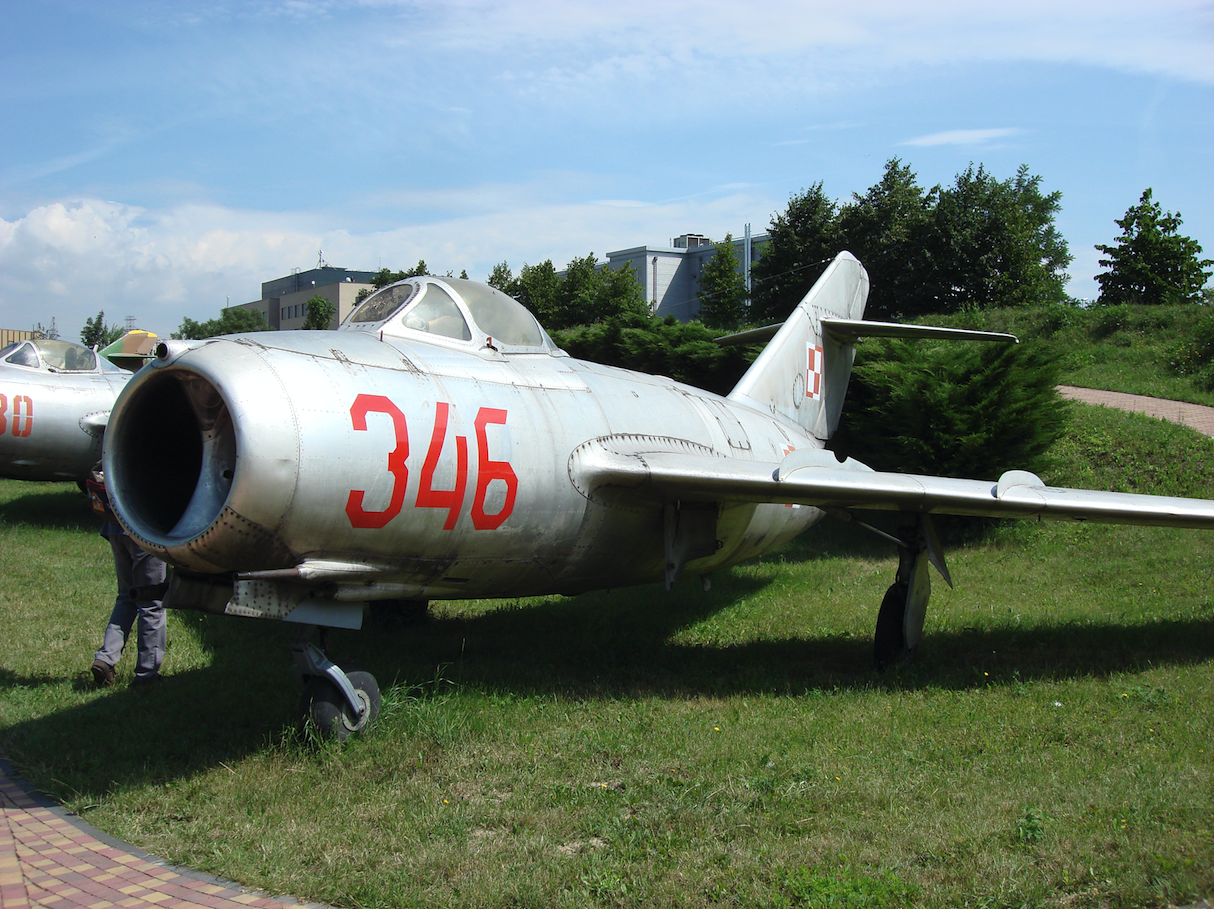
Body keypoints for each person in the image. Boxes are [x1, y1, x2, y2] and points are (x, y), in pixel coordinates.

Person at [86, 463, 167, 687]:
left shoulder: (125, 433)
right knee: (151, 601)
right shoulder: (155, 443)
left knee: (126, 596)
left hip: (115, 526)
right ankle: (147, 675)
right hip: (144, 530)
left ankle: (105, 658)